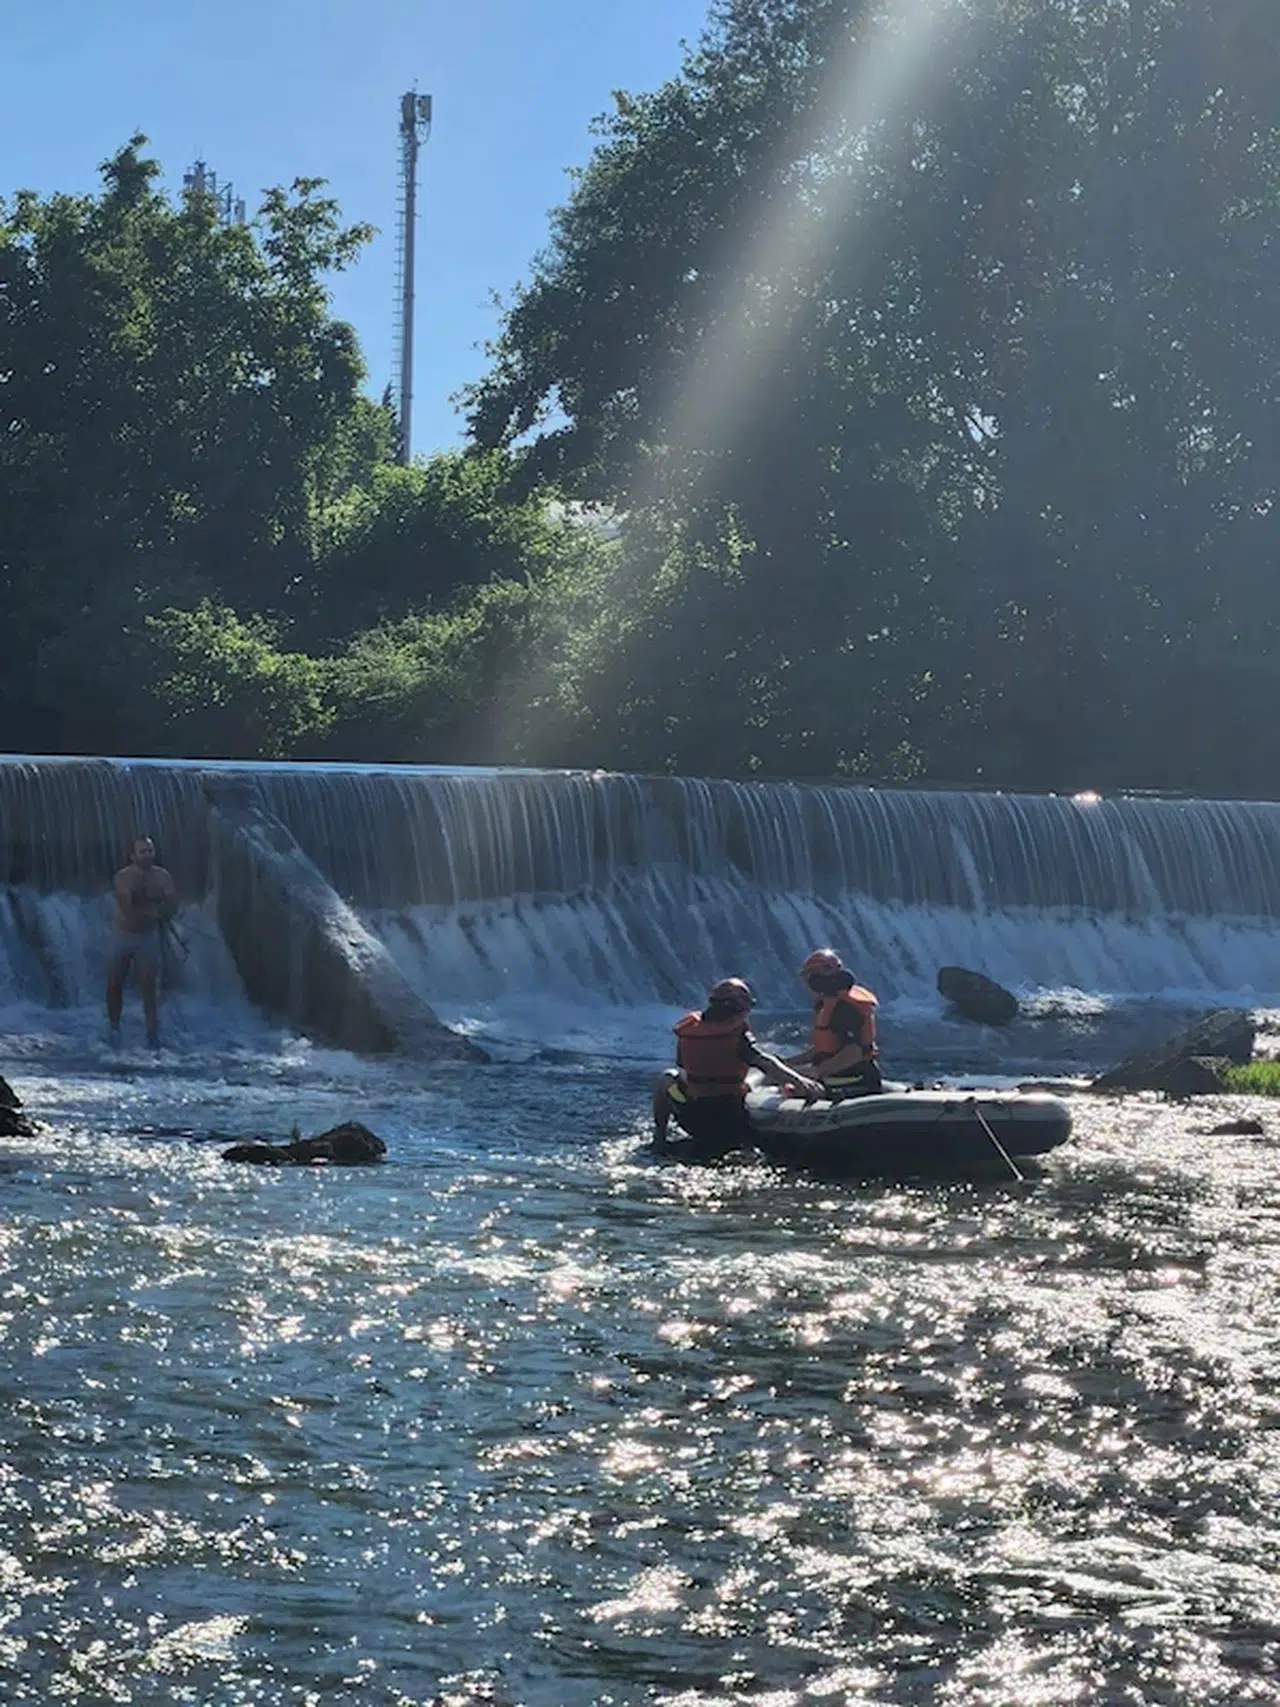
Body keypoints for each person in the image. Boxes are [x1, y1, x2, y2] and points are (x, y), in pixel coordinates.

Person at [654, 978, 823, 1152]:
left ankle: (659, 1137)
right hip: (730, 1116)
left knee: (667, 1077)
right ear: (738, 1008)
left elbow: (683, 1067)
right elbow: (765, 1062)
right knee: (759, 1075)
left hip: (691, 1116)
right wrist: (800, 1081)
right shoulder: (737, 1033)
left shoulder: (688, 1030)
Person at [106, 835, 177, 1048]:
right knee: (114, 984)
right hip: (122, 936)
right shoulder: (122, 877)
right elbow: (128, 909)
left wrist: (160, 911)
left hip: (148, 937)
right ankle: (113, 1028)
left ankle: (152, 1034)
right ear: (132, 856)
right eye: (143, 851)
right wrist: (156, 911)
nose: (148, 855)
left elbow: (172, 905)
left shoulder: (163, 876)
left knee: (149, 988)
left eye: (150, 851)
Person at [787, 948, 883, 1096]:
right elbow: (826, 1048)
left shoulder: (844, 1008)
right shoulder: (830, 1004)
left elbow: (856, 1050)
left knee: (790, 1091)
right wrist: (786, 1064)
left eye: (809, 979)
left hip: (854, 1082)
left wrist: (816, 1071)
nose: (807, 985)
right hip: (838, 1078)